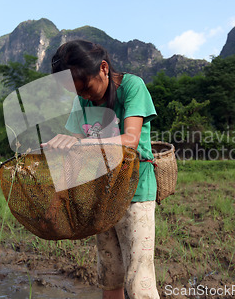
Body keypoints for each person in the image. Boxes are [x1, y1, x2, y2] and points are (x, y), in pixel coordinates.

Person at [46, 40, 160, 299]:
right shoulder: (82, 102)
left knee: (139, 280)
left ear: (104, 68)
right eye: (77, 93)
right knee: (110, 276)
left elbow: (130, 139)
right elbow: (74, 153)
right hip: (102, 194)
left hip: (136, 192)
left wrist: (80, 142)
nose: (84, 96)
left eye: (85, 87)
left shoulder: (132, 87)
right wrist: (58, 198)